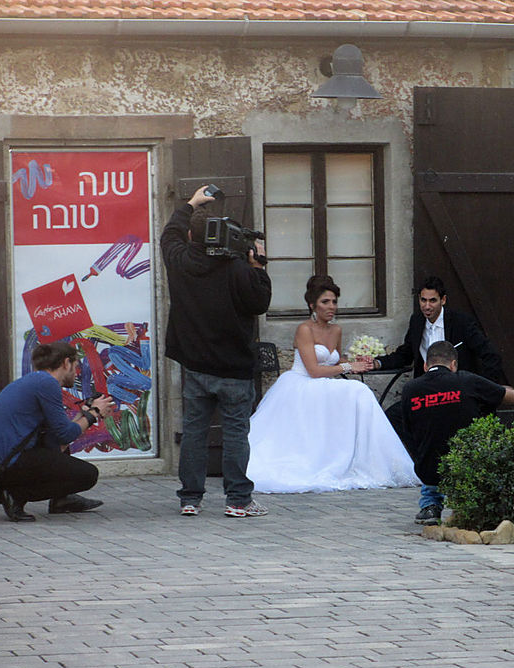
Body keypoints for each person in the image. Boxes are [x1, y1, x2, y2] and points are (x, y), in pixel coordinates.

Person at [246, 275, 418, 493]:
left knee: (360, 392)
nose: (331, 307)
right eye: (325, 302)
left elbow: (335, 360)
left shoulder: (336, 330)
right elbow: (314, 370)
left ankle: (369, 460)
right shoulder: (304, 330)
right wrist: (348, 367)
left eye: (334, 302)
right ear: (312, 305)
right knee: (358, 390)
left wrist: (358, 360)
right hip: (303, 384)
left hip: (324, 385)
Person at [161, 185, 271, 518]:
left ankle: (190, 498)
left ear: (191, 236)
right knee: (235, 432)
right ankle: (238, 500)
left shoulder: (181, 261)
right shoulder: (239, 270)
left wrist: (191, 204)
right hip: (234, 367)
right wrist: (258, 267)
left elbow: (169, 236)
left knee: (194, 431)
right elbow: (260, 302)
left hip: (195, 365)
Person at [0, 342, 115, 522]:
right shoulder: (48, 384)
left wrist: (85, 413)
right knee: (88, 475)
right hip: (9, 462)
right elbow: (66, 435)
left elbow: (60, 434)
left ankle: (62, 499)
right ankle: (14, 493)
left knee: (56, 444)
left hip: (4, 459)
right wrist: (94, 413)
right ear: (66, 363)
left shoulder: (36, 381)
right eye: (76, 366)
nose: (77, 373)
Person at [371, 276, 506, 439]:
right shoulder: (417, 321)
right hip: (426, 391)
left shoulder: (461, 322)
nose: (427, 306)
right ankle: (418, 451)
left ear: (443, 300)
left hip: (457, 392)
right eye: (423, 300)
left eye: (432, 300)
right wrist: (378, 363)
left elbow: (491, 356)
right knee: (393, 417)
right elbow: (405, 354)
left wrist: (483, 390)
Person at [400, 341, 514, 525]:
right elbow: (513, 398)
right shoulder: (467, 380)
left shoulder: (410, 389)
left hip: (428, 468)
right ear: (453, 364)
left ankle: (430, 506)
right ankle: (471, 507)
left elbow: (407, 428)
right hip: (465, 464)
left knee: (431, 445)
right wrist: (502, 389)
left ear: (425, 366)